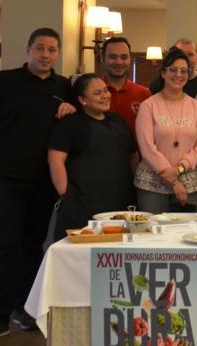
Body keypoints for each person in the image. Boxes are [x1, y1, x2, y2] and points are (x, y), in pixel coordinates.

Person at [0, 27, 76, 346]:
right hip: (4, 179)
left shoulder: (64, 86)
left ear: (57, 53)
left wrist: (70, 109)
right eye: (40, 48)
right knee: (5, 246)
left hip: (42, 183)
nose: (45, 54)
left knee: (33, 246)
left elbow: (71, 125)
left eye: (52, 49)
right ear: (28, 50)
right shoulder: (4, 81)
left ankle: (26, 309)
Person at [48, 74, 137, 238]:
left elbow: (132, 155)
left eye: (105, 90)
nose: (105, 96)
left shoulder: (118, 121)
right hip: (81, 205)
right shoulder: (69, 122)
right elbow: (55, 160)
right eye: (97, 93)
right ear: (82, 99)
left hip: (119, 202)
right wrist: (65, 195)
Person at [134, 48, 197, 213]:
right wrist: (173, 180)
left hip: (189, 183)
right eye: (173, 70)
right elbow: (147, 147)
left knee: (184, 234)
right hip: (153, 182)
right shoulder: (148, 106)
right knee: (152, 235)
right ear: (163, 73)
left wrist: (180, 168)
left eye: (184, 71)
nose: (178, 75)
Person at [100, 36, 151, 132]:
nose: (119, 62)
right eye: (113, 57)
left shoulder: (144, 94)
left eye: (124, 57)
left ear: (130, 59)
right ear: (103, 58)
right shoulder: (91, 93)